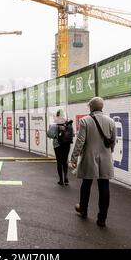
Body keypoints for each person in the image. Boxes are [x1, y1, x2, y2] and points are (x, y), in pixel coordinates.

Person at [69, 97, 116, 227]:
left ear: (91, 107)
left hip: (89, 158)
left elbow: (80, 142)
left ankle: (83, 209)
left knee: (86, 183)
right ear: (102, 107)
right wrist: (108, 153)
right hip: (105, 158)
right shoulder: (111, 122)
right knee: (104, 186)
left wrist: (73, 158)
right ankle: (102, 218)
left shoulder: (85, 121)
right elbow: (113, 142)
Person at [47, 109, 74, 186]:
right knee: (65, 160)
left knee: (59, 161)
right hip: (66, 144)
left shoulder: (54, 124)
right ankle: (66, 177)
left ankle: (61, 180)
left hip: (57, 145)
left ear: (57, 114)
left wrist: (56, 136)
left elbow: (49, 134)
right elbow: (73, 134)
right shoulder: (68, 123)